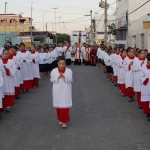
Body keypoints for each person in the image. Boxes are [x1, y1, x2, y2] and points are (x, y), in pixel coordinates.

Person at [50, 56, 73, 128]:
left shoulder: (69, 71)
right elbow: (52, 80)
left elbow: (71, 80)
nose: (62, 65)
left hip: (66, 90)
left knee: (65, 107)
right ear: (57, 63)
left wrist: (64, 77)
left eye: (63, 63)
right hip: (57, 90)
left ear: (65, 63)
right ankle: (60, 119)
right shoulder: (54, 71)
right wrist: (58, 77)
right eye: (60, 63)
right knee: (59, 107)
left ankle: (64, 121)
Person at [140, 53, 150, 121]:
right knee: (147, 101)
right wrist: (145, 80)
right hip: (146, 86)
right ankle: (148, 114)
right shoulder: (143, 68)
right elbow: (140, 76)